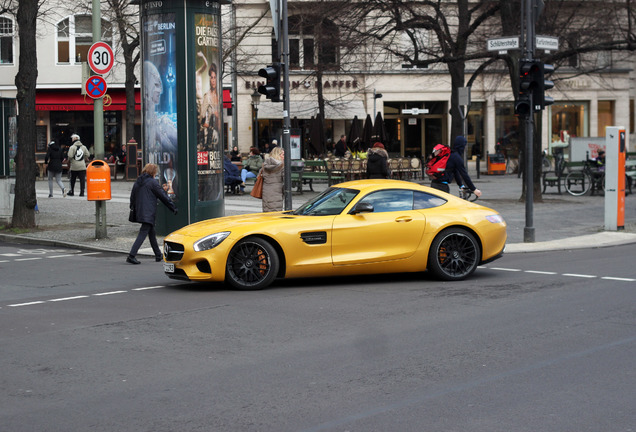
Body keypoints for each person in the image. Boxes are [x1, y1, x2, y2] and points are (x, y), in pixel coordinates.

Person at [127, 163, 178, 264]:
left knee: (151, 233)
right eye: (156, 172)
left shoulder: (138, 181)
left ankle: (158, 255)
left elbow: (132, 196)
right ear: (153, 172)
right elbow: (163, 196)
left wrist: (133, 207)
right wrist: (173, 207)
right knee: (143, 233)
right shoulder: (152, 183)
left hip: (141, 210)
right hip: (148, 211)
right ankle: (131, 255)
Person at [261, 146, 284, 212]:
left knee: (267, 213)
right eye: (283, 154)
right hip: (277, 193)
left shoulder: (265, 164)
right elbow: (286, 182)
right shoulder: (282, 165)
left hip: (266, 193)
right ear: (278, 155)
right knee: (276, 214)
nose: (284, 156)